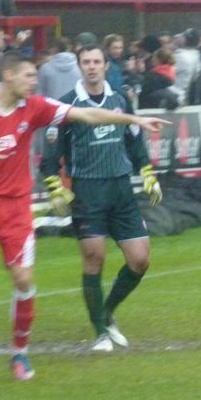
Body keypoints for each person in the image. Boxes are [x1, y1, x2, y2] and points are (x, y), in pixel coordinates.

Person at [0, 49, 169, 383]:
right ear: (9, 75)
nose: (34, 82)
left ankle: (20, 355)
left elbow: (86, 115)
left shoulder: (35, 107)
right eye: (28, 76)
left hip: (15, 208)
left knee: (23, 280)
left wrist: (133, 120)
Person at [39, 45, 165, 352]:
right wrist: (55, 185)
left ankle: (106, 312)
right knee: (94, 258)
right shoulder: (67, 106)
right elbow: (50, 154)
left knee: (140, 259)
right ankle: (100, 333)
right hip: (88, 191)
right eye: (86, 62)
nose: (92, 67)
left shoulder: (120, 98)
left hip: (121, 189)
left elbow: (134, 142)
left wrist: (147, 173)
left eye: (97, 61)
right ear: (80, 66)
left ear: (106, 65)